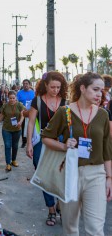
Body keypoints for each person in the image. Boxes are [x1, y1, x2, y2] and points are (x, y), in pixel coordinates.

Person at [41, 72, 112, 235]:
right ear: (82, 88)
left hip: (96, 174)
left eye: (101, 91)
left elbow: (107, 147)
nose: (99, 94)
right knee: (70, 228)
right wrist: (64, 146)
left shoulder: (102, 114)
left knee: (95, 229)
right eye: (95, 89)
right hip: (70, 174)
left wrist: (109, 178)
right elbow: (46, 137)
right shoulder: (64, 112)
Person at [26, 71, 68, 226]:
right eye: (52, 87)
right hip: (42, 140)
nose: (55, 90)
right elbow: (31, 122)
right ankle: (51, 209)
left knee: (60, 173)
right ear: (45, 85)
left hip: (60, 140)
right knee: (43, 174)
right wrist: (29, 143)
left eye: (58, 87)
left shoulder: (65, 102)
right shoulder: (37, 101)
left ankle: (60, 205)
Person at [0, 90, 25, 171]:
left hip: (17, 129)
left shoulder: (20, 105)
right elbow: (1, 116)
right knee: (7, 146)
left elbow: (23, 115)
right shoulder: (5, 106)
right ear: (8, 98)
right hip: (6, 129)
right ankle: (8, 163)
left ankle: (13, 160)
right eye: (10, 98)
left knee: (15, 146)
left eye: (13, 98)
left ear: (16, 98)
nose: (12, 100)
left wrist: (20, 122)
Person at [17, 79, 35, 148]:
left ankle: (31, 141)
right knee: (23, 127)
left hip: (31, 112)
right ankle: (24, 142)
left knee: (31, 127)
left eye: (27, 83)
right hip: (23, 113)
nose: (25, 85)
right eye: (24, 83)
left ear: (29, 85)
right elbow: (17, 102)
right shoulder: (19, 93)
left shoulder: (33, 92)